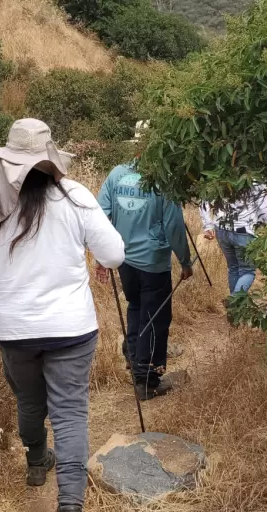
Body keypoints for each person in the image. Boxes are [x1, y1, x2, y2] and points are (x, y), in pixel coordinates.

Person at [0, 119, 125, 512]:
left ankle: (37, 461)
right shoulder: (74, 195)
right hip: (71, 327)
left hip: (14, 327)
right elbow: (114, 255)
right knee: (71, 413)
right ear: (51, 158)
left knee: (29, 402)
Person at [95, 158, 193, 401]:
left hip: (123, 258)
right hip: (152, 261)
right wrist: (185, 261)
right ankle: (147, 380)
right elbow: (173, 225)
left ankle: (133, 357)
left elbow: (99, 215)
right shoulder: (164, 177)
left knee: (136, 306)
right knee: (155, 317)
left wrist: (103, 255)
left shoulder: (116, 173)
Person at [200, 184, 267, 294]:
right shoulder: (253, 178)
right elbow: (263, 208)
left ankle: (234, 308)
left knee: (233, 267)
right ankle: (234, 300)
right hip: (243, 230)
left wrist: (208, 225)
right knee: (247, 271)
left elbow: (203, 198)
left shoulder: (218, 173)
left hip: (221, 228)